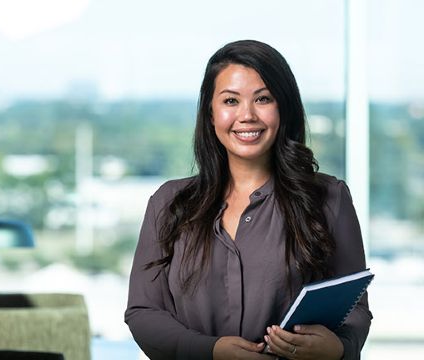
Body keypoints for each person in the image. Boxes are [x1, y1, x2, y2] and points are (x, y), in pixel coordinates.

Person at [124, 39, 372, 360]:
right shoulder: (168, 202)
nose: (247, 115)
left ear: (284, 107)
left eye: (263, 99)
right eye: (230, 100)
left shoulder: (329, 198)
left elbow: (356, 311)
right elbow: (144, 312)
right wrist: (211, 351)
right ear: (211, 114)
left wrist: (337, 347)